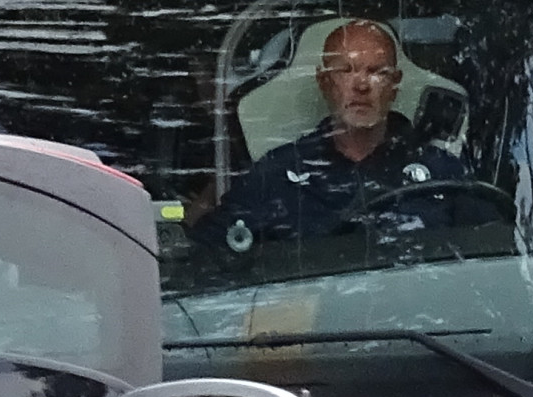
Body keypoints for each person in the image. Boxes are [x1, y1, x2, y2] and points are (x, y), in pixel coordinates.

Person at [202, 16, 477, 255]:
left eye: (376, 72)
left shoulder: (443, 173)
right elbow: (206, 254)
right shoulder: (277, 174)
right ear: (324, 82)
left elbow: (491, 258)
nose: (361, 85)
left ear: (394, 85)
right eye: (346, 71)